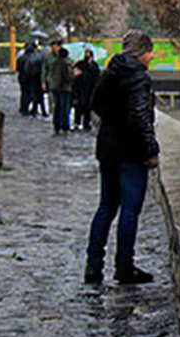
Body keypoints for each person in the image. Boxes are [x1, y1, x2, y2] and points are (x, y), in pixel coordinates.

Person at [84, 30, 159, 285]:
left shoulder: (109, 73)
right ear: (141, 53)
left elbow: (95, 104)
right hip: (131, 153)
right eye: (150, 51)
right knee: (130, 210)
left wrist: (113, 121)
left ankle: (93, 268)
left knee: (106, 208)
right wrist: (151, 150)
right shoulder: (139, 78)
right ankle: (124, 267)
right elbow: (140, 117)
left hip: (108, 149)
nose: (153, 56)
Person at [42, 39, 74, 135]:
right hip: (61, 87)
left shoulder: (59, 60)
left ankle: (58, 126)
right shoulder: (52, 58)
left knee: (58, 107)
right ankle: (63, 126)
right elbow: (45, 70)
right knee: (62, 107)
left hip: (54, 86)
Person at [71, 49, 100, 131]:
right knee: (78, 107)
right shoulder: (81, 64)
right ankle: (77, 122)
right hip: (80, 88)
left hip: (89, 89)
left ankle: (86, 123)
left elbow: (96, 77)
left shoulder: (94, 65)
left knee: (87, 107)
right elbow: (75, 74)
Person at [16, 43, 37, 115]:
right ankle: (26, 108)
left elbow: (17, 68)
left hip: (21, 77)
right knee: (28, 93)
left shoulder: (20, 58)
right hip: (29, 79)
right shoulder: (32, 59)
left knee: (23, 93)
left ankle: (22, 108)